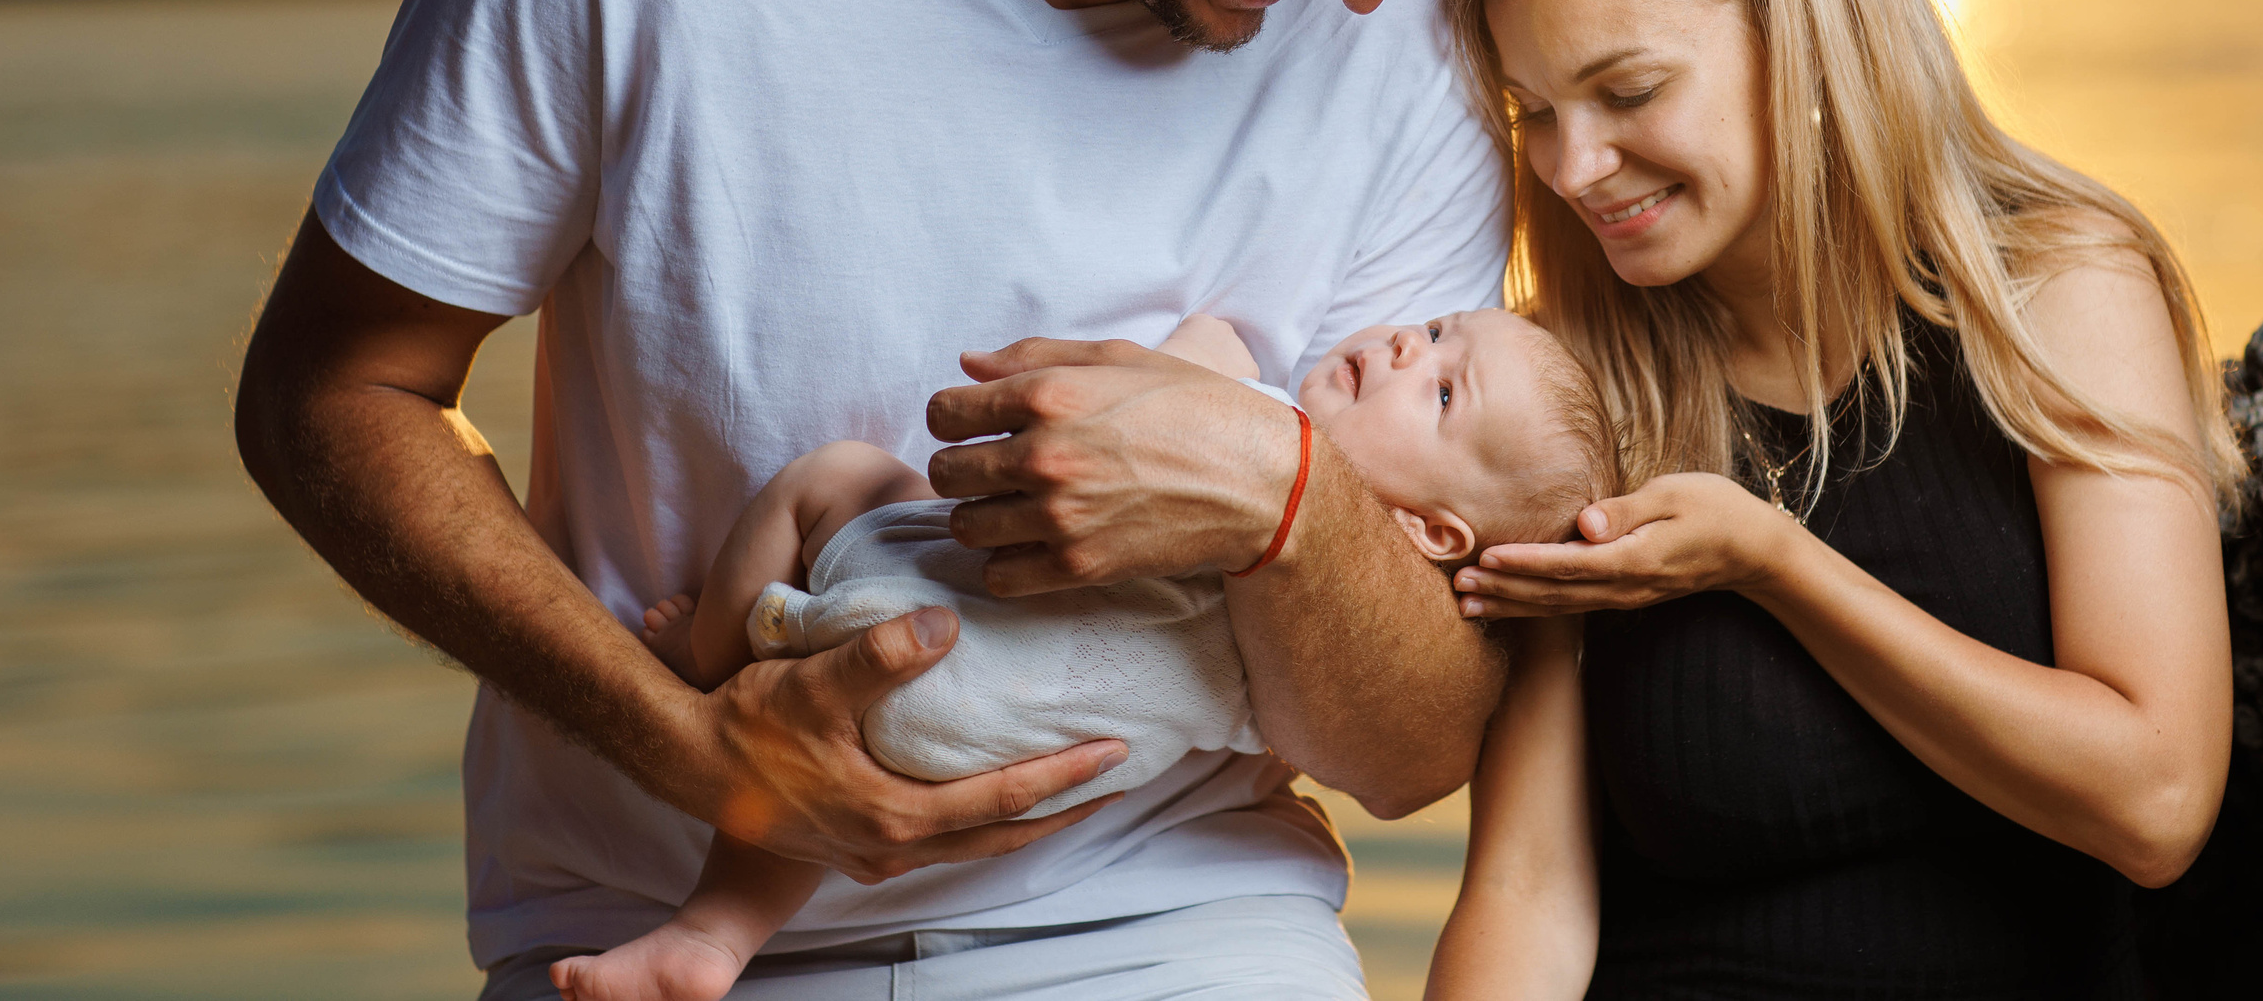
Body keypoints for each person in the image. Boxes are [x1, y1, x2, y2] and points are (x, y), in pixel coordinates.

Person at [232, 0, 1594, 1000]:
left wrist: (1289, 501)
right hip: (648, 934)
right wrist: (694, 747)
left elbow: (1409, 754)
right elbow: (333, 391)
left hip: (1178, 929)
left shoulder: (1407, 49)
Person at [1424, 0, 2244, 999]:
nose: (1574, 166)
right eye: (1531, 110)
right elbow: (1528, 892)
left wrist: (1775, 565)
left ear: (1805, 33)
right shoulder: (1572, 383)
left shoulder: (2055, 291)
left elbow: (2155, 800)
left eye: (1628, 91)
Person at [556, 308, 1615, 1001]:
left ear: (1431, 535)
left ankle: (711, 650)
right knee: (861, 760)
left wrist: (1217, 346)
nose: (1400, 349)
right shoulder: (1298, 636)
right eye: (1432, 331)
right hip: (1013, 770)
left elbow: (1183, 367)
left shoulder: (1259, 430)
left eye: (1439, 391)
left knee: (834, 478)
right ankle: (708, 942)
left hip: (894, 616)